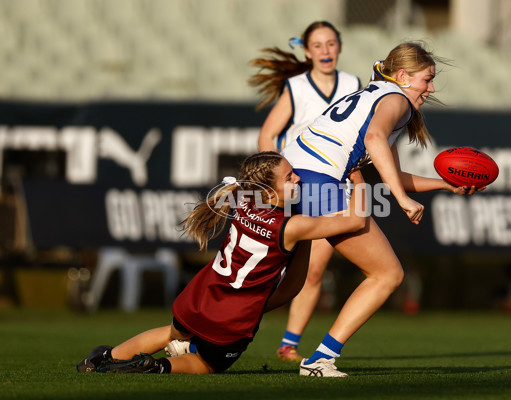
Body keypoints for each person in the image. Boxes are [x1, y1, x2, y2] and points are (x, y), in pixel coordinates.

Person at [279, 42, 486, 377]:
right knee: (387, 274)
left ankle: (196, 338)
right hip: (319, 182)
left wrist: (445, 185)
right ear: (403, 75)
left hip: (291, 177)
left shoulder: (379, 93)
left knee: (287, 285)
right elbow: (374, 138)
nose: (431, 88)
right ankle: (320, 359)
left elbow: (395, 174)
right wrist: (402, 201)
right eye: (427, 79)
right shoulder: (398, 101)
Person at [76, 151, 366, 375]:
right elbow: (356, 220)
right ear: (268, 192)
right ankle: (156, 368)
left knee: (170, 332)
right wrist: (358, 178)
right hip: (232, 319)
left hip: (199, 298)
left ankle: (107, 356)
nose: (298, 179)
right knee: (206, 364)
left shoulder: (244, 201)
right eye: (290, 176)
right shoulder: (293, 227)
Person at [249, 21, 361, 362]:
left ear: (339, 47)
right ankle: (215, 329)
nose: (325, 50)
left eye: (331, 43)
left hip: (332, 187)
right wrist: (284, 176)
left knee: (311, 271)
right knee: (269, 271)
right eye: (318, 45)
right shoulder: (296, 87)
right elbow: (267, 137)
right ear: (307, 50)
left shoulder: (352, 84)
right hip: (297, 187)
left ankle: (288, 344)